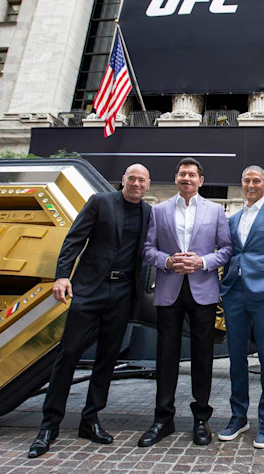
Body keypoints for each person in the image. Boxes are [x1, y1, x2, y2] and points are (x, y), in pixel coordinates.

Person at [28, 164, 152, 458]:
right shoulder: (100, 202)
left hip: (123, 293)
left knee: (108, 359)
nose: (136, 183)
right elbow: (74, 239)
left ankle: (90, 419)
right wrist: (62, 275)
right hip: (89, 289)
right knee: (68, 354)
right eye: (131, 178)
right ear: (123, 180)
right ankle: (49, 425)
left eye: (141, 180)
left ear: (147, 185)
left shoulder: (149, 213)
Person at [139, 157, 232, 447]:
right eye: (182, 174)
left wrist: (203, 261)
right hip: (169, 290)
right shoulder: (159, 210)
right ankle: (163, 419)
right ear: (176, 178)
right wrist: (166, 260)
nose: (187, 179)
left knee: (202, 357)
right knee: (166, 356)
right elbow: (147, 249)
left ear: (201, 180)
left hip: (203, 291)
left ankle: (201, 418)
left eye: (192, 175)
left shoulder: (216, 210)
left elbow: (227, 249)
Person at [218, 165, 264, 449]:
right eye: (246, 179)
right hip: (235, 291)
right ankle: (238, 416)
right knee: (235, 357)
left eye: (256, 180)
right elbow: (231, 252)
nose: (251, 184)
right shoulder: (233, 218)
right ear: (242, 183)